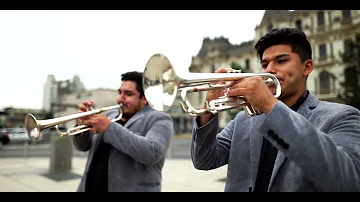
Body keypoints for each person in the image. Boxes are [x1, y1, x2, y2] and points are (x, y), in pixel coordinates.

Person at [190, 28, 360, 192]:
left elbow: (347, 181)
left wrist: (270, 106)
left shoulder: (342, 116)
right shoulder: (244, 120)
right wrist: (208, 108)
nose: (270, 69)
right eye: (265, 64)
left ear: (307, 67)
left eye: (281, 61)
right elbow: (204, 160)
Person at [72, 71, 174, 192]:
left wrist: (109, 127)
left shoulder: (159, 118)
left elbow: (152, 153)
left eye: (128, 94)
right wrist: (81, 126)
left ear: (145, 98)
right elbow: (82, 147)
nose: (121, 98)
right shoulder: (109, 115)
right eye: (120, 92)